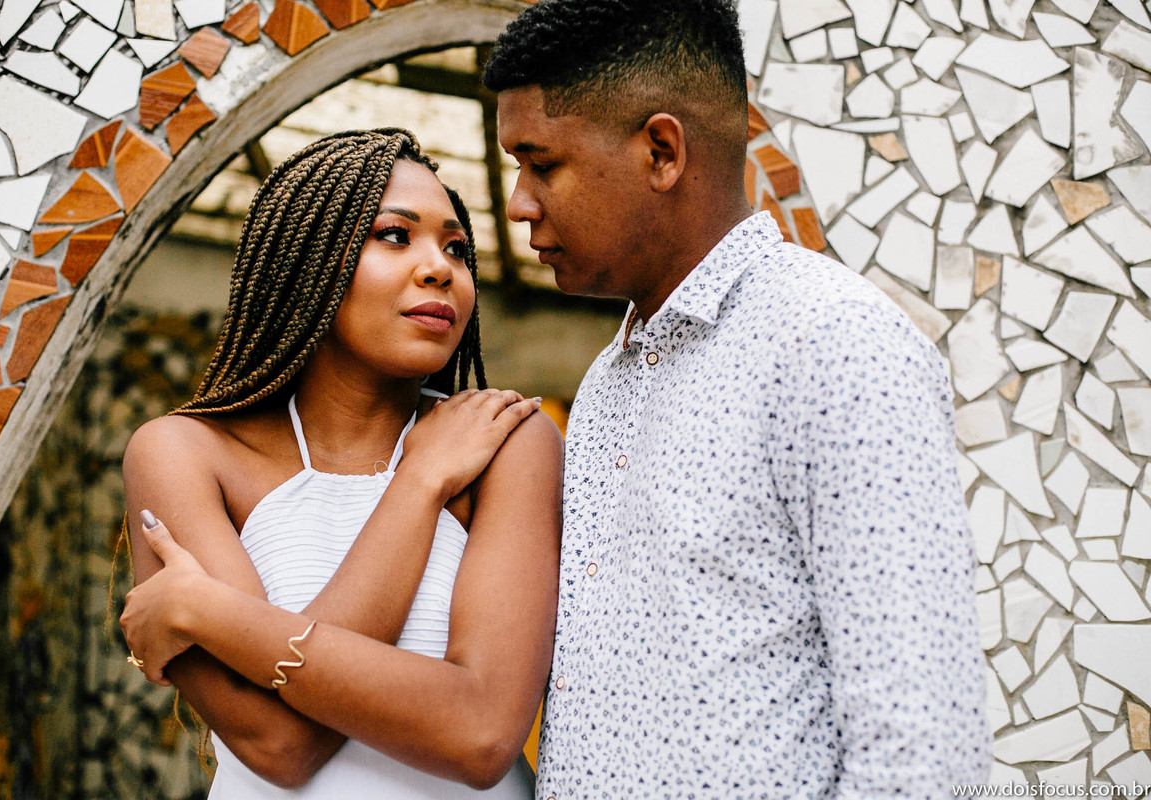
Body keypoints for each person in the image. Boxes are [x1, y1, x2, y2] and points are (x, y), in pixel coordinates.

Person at [482, 1, 992, 797]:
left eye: (540, 163)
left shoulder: (836, 347)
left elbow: (923, 757)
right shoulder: (609, 381)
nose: (517, 201)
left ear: (661, 151)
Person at [118, 129, 563, 798]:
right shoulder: (184, 453)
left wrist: (202, 608)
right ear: (306, 261)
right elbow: (281, 744)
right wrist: (418, 485)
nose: (440, 267)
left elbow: (480, 735)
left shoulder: (505, 442)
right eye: (394, 235)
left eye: (456, 248)